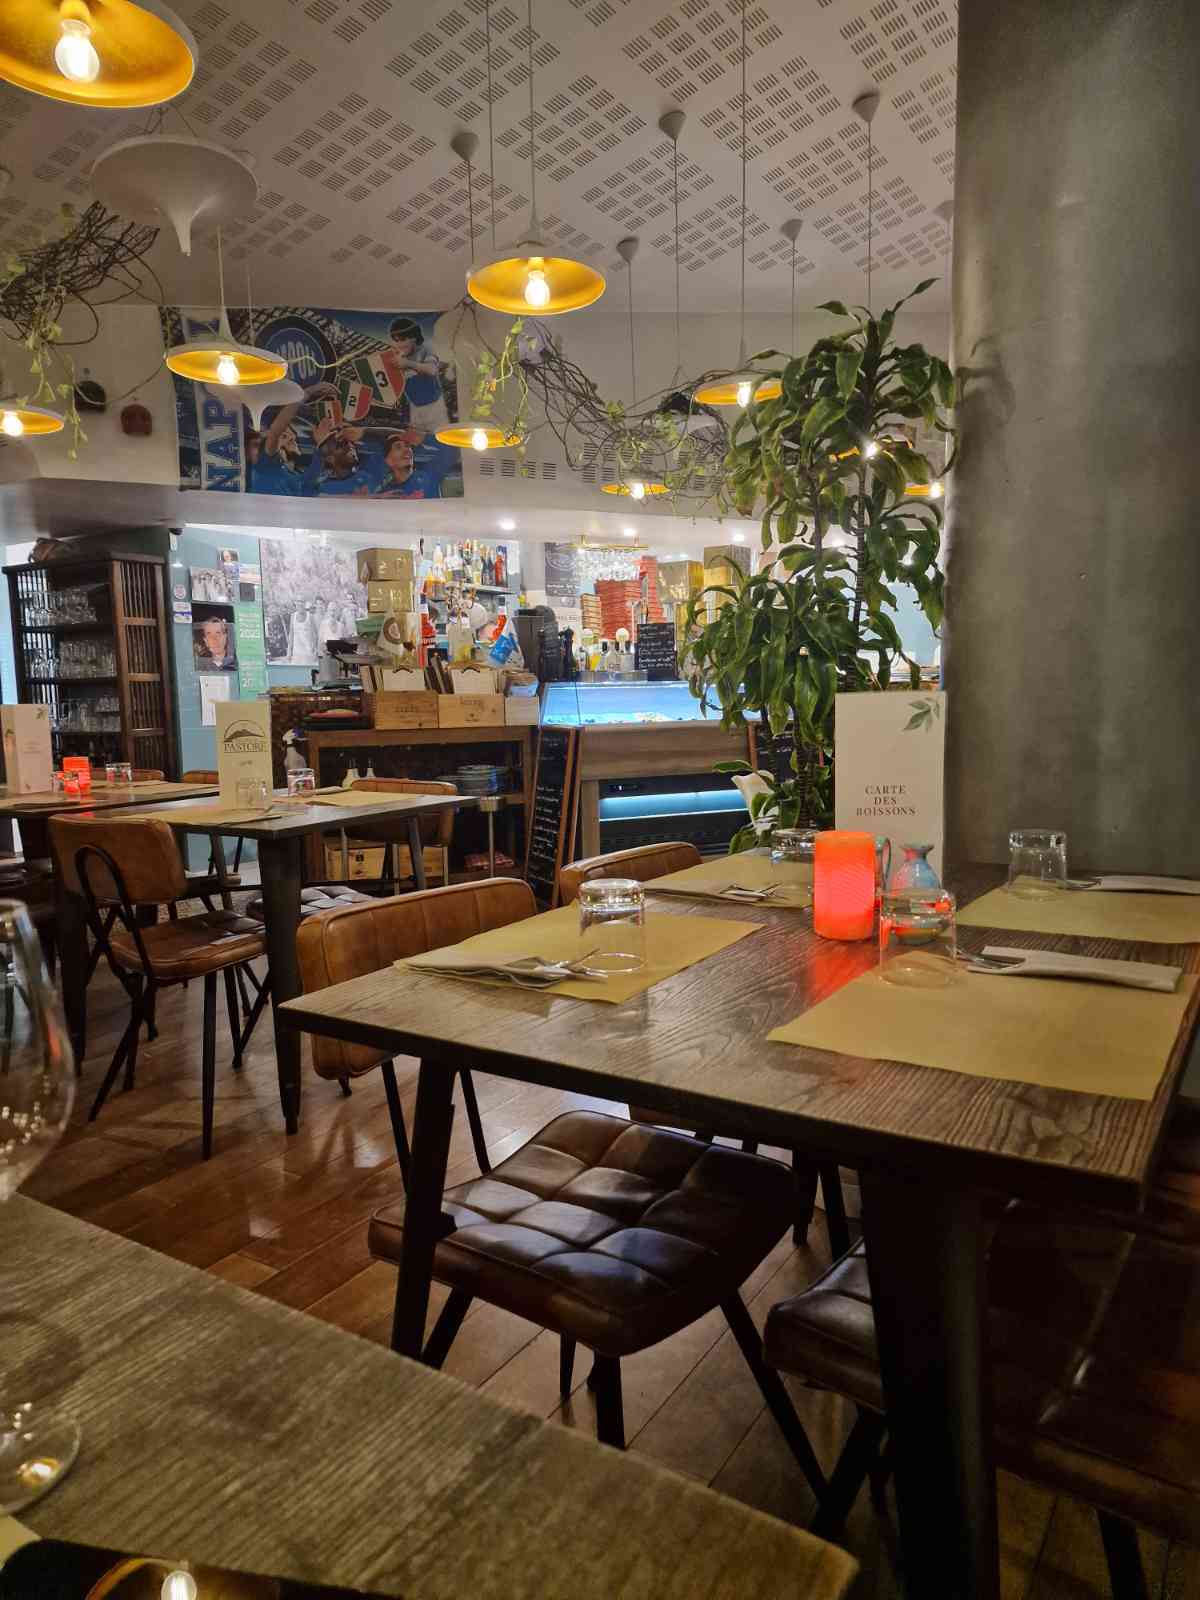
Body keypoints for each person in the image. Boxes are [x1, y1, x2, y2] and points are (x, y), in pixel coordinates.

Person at [249, 380, 340, 496]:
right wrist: (307, 393)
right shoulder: (266, 466)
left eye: (291, 434)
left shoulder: (295, 477)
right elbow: (275, 431)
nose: (291, 438)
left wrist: (321, 447)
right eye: (284, 436)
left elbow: (309, 480)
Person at [386, 316, 448, 431]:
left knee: (438, 436)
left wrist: (408, 363)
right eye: (396, 340)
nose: (399, 344)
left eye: (403, 339)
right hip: (414, 407)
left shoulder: (426, 348)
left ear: (414, 337)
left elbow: (432, 370)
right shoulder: (398, 356)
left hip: (434, 406)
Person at [373, 433, 444, 499]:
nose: (406, 450)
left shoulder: (429, 475)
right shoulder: (385, 494)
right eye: (398, 447)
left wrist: (424, 438)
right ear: (389, 461)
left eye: (407, 446)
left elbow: (448, 449)